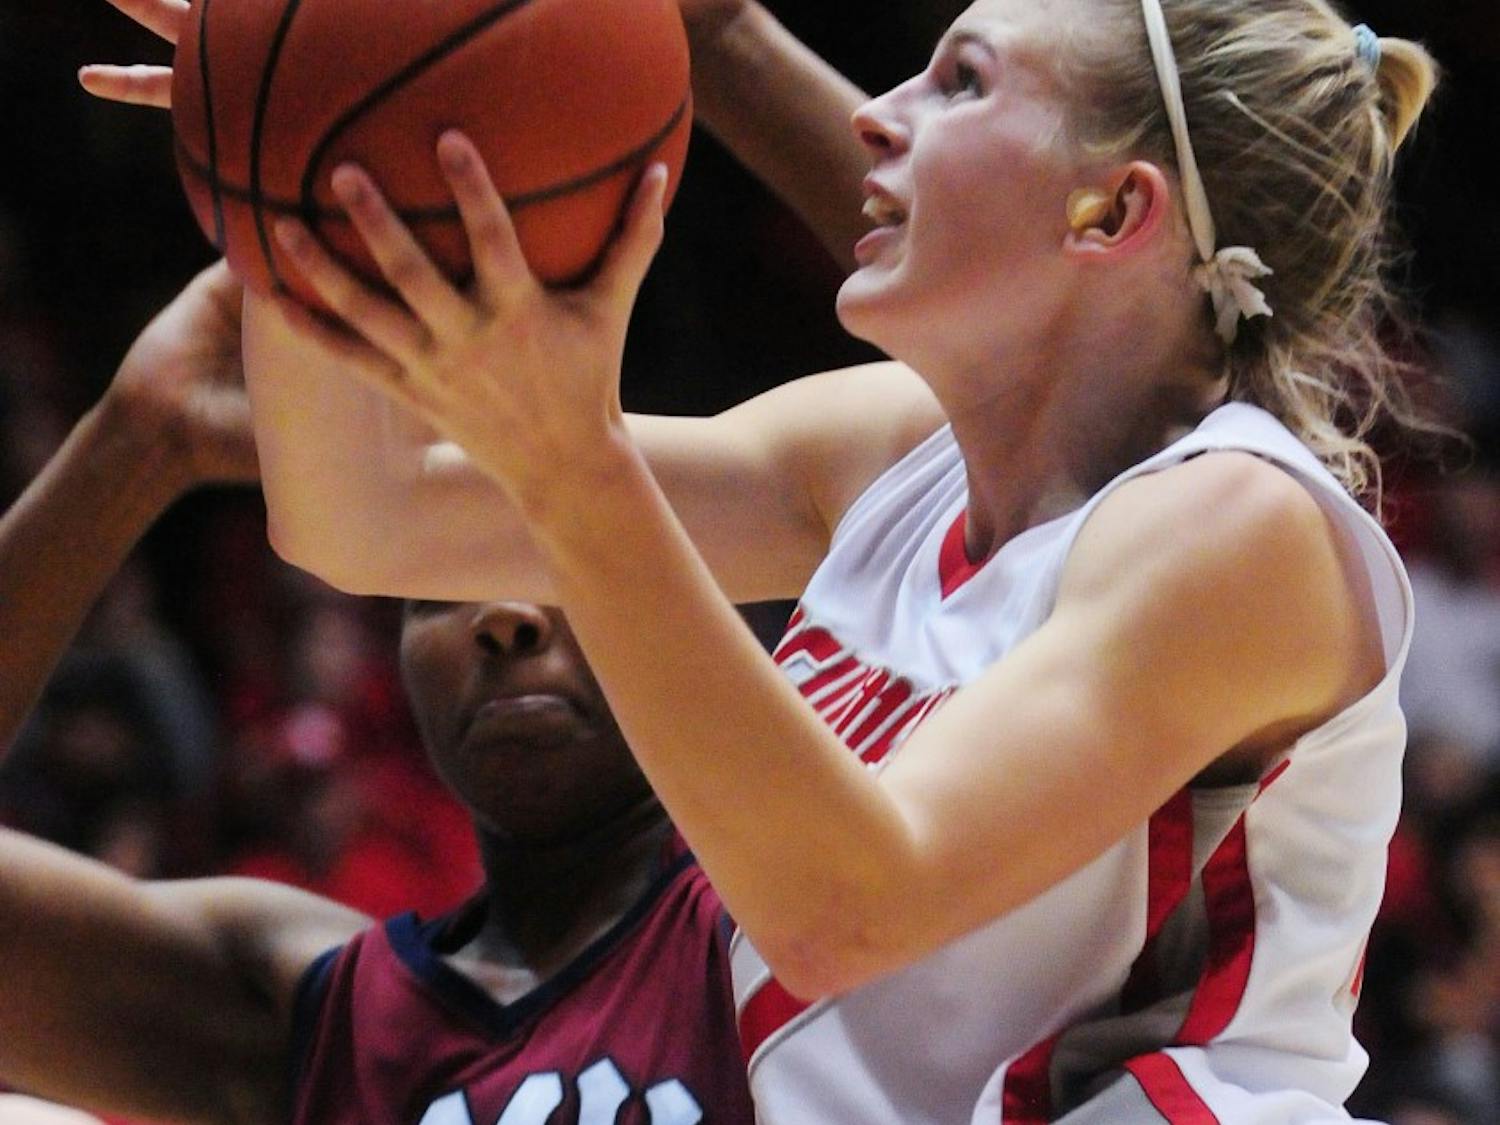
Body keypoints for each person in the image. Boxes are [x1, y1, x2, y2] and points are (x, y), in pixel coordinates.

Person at [86, 0, 1441, 1119]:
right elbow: (362, 515)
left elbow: (850, 907)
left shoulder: (1241, 526)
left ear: (1107, 213)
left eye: (958, 81)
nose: (876, 114)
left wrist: (578, 466)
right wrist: (312, 159)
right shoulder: (895, 454)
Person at [0, 264, 753, 1124]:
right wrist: (136, 445)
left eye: (552, 557)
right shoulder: (308, 1007)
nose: (501, 613)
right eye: (442, 577)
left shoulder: (791, 937)